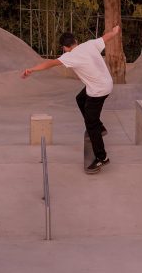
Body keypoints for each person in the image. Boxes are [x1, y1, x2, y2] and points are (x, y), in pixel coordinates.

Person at [22, 25, 120, 174]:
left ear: (65, 48)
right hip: (107, 83)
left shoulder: (70, 56)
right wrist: (114, 32)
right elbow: (106, 37)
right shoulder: (90, 44)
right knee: (80, 98)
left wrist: (32, 70)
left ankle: (102, 157)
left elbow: (50, 63)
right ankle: (100, 127)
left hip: (98, 91)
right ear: (76, 41)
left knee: (90, 123)